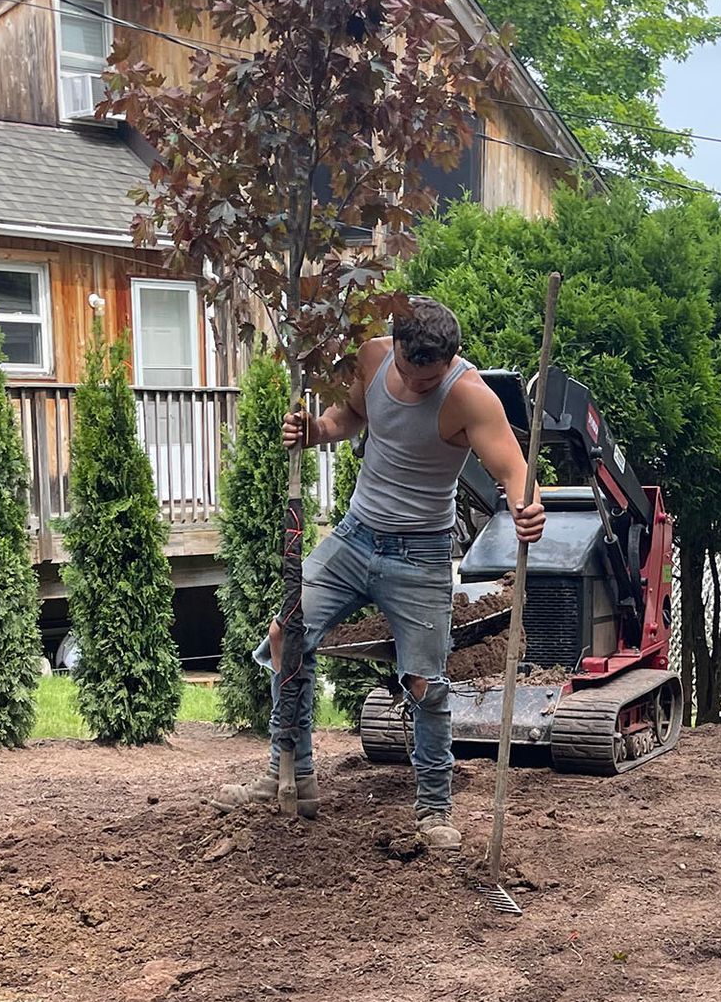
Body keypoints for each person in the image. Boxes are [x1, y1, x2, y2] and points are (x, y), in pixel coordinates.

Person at [219, 298, 545, 853]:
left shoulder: (469, 396)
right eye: (412, 375)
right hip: (354, 537)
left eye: (431, 378)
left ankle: (433, 809)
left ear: (451, 358)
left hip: (420, 556)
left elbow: (514, 467)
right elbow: (350, 417)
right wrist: (317, 430)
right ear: (394, 346)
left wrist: (527, 506)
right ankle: (287, 773)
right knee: (284, 636)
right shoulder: (369, 359)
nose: (420, 388)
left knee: (425, 682)